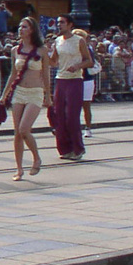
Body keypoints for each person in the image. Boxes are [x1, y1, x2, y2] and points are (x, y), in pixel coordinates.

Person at [2, 17, 50, 181]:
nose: (21, 29)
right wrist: (4, 94)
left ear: (32, 30)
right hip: (19, 91)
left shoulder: (41, 50)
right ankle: (19, 168)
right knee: (17, 132)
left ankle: (36, 157)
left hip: (35, 91)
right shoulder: (15, 49)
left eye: (25, 27)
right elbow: (13, 74)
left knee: (24, 129)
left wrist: (48, 95)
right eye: (20, 26)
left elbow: (46, 75)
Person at [49, 16, 92, 161]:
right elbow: (54, 62)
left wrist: (77, 66)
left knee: (72, 116)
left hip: (75, 80)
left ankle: (78, 148)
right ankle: (65, 148)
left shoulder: (79, 41)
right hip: (60, 80)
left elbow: (89, 61)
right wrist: (42, 55)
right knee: (59, 115)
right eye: (58, 22)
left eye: (62, 22)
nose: (59, 25)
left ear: (70, 25)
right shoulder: (57, 41)